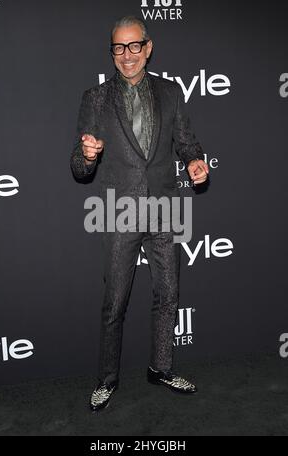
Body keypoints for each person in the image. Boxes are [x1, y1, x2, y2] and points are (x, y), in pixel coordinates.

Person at [70, 15, 209, 412]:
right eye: (118, 47)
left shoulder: (170, 92)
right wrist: (87, 154)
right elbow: (78, 167)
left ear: (148, 48)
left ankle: (161, 368)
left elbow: (186, 143)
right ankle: (107, 378)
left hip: (165, 207)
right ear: (111, 52)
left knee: (168, 294)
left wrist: (195, 161)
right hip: (119, 211)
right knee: (115, 300)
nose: (127, 55)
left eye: (134, 46)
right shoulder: (94, 98)